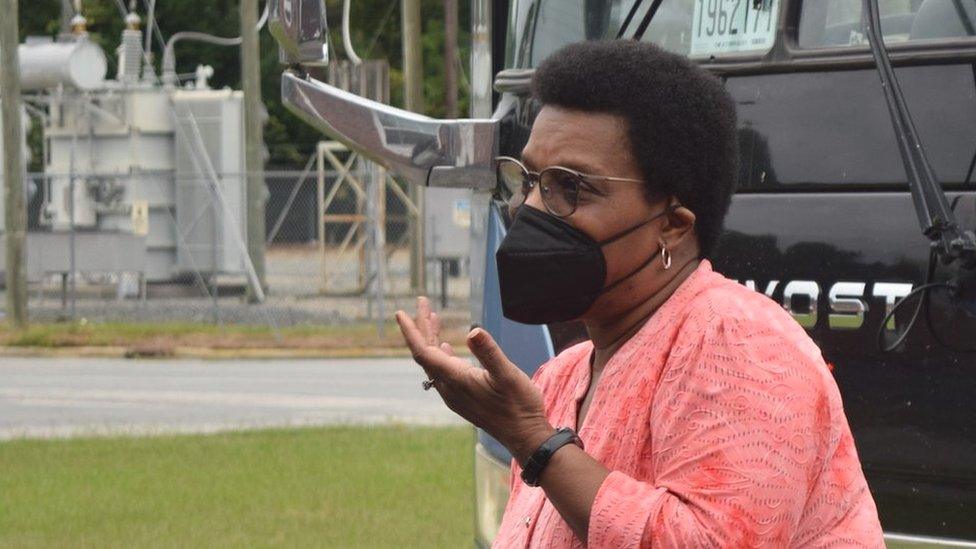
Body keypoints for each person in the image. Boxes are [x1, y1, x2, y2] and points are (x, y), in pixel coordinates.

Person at [395, 40, 884, 548]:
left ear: (672, 226)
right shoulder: (561, 376)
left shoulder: (743, 342)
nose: (528, 208)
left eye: (571, 187)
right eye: (529, 180)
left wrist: (534, 442)